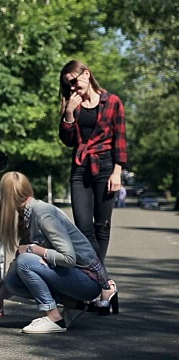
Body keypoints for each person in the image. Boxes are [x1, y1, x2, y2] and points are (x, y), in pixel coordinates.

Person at [0, 172, 118, 334]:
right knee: (13, 281)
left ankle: (54, 318)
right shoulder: (27, 216)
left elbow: (69, 258)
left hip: (88, 281)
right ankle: (73, 304)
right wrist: (1, 295)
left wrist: (36, 251)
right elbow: (18, 260)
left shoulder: (43, 215)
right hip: (74, 276)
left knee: (25, 261)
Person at [58, 60, 127, 263]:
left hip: (106, 166)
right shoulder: (71, 104)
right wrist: (69, 113)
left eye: (74, 81)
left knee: (102, 226)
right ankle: (98, 276)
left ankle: (94, 278)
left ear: (86, 75)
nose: (72, 87)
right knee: (83, 226)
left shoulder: (113, 102)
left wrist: (117, 172)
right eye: (68, 85)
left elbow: (120, 139)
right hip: (80, 167)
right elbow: (68, 141)